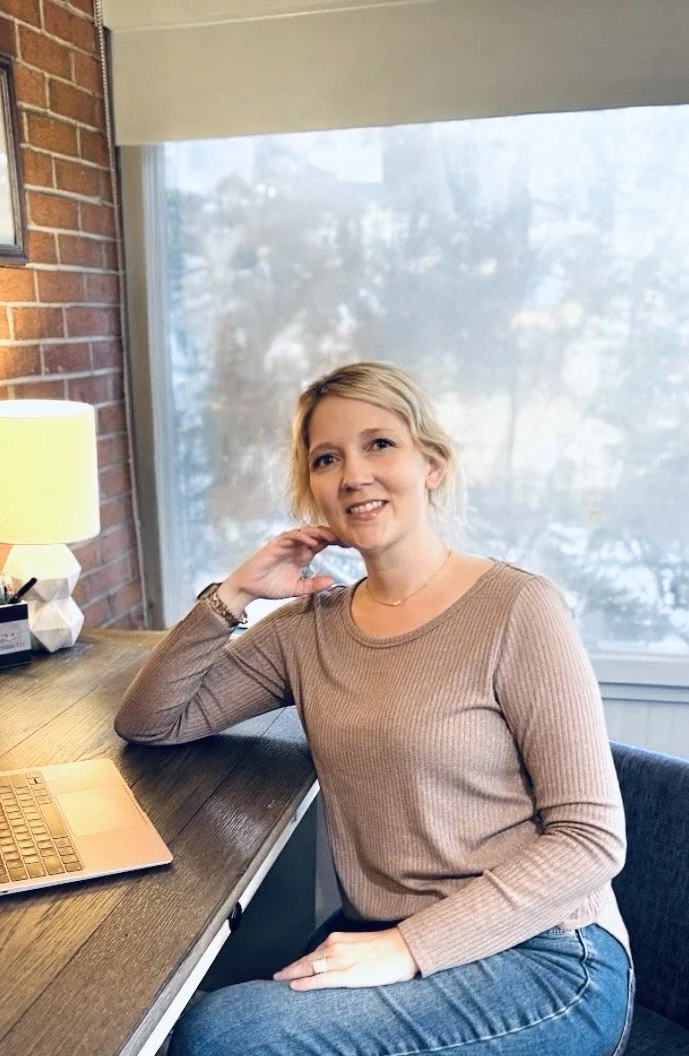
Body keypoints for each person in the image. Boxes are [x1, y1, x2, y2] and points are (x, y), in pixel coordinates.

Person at [115, 361, 634, 1056]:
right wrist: (233, 594)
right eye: (327, 458)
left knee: (223, 1035)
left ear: (432, 464)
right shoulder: (308, 629)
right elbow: (153, 721)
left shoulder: (518, 607)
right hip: (386, 941)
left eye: (379, 444)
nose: (353, 474)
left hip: (547, 956)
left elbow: (591, 839)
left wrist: (409, 946)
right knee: (189, 1018)